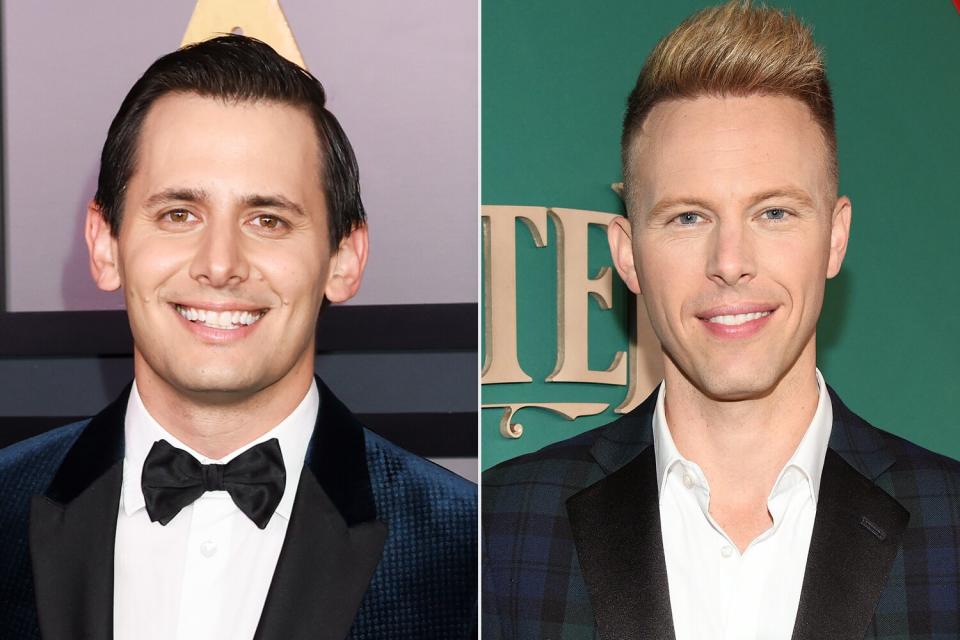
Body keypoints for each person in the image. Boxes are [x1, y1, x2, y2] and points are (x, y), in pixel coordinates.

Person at [482, 2, 960, 638]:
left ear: (836, 238)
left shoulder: (950, 526)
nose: (730, 263)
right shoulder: (498, 530)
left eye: (774, 213)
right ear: (627, 256)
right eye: (688, 217)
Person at [0, 35, 476, 640]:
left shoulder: (470, 550)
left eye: (268, 220)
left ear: (345, 258)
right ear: (104, 244)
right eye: (179, 214)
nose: (220, 264)